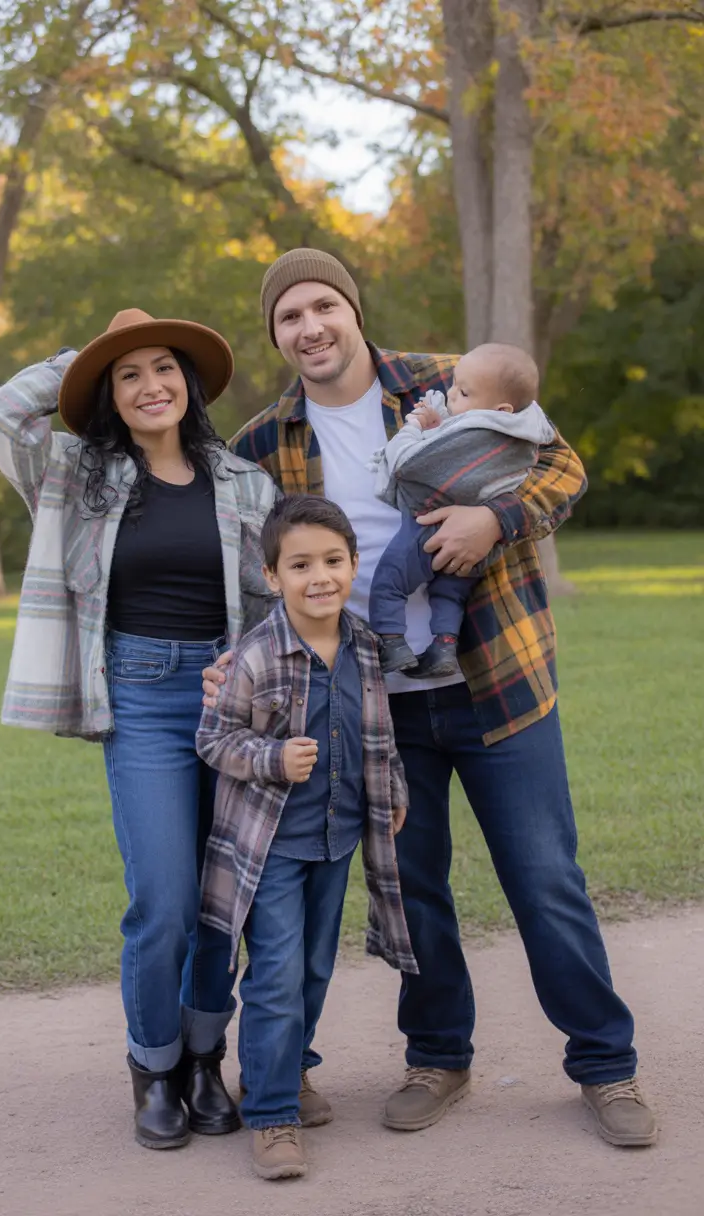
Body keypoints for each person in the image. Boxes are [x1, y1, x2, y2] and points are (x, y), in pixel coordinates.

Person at [203, 248, 657, 1148]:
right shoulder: (263, 441)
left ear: (353, 310)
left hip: (499, 681)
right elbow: (255, 579)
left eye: (323, 305)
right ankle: (439, 1056)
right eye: (289, 317)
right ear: (277, 335)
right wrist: (233, 661)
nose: (310, 328)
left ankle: (607, 1066)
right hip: (375, 703)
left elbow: (562, 469)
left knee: (546, 879)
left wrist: (498, 518)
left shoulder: (455, 384)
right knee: (412, 889)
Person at [0, 308, 277, 1150]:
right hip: (139, 698)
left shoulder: (242, 482)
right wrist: (90, 351)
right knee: (165, 903)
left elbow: (272, 602)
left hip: (230, 697)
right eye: (129, 373)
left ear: (191, 383)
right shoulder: (75, 472)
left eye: (164, 367)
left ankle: (205, 1061)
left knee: (223, 905)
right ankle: (153, 1069)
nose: (151, 386)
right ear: (109, 393)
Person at [196, 494, 416, 1180]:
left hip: (339, 838)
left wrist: (396, 792)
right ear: (272, 575)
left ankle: (288, 1072)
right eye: (300, 565)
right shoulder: (256, 657)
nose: (319, 576)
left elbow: (380, 731)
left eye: (332, 561)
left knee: (315, 970)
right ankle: (270, 1116)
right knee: (277, 976)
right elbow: (213, 738)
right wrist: (271, 759)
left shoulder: (364, 645)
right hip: (273, 848)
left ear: (353, 566)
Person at [368, 342, 555, 678]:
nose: (450, 394)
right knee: (449, 594)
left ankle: (391, 642)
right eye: (454, 385)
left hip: (429, 526)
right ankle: (444, 646)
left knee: (388, 583)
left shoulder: (474, 433)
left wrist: (414, 428)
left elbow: (408, 464)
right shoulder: (524, 435)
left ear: (501, 409)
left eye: (463, 392)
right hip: (479, 552)